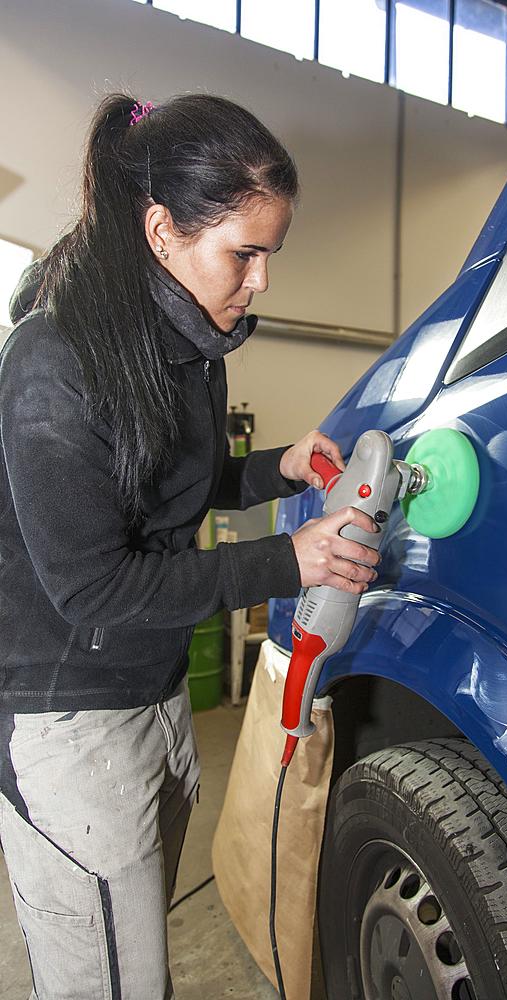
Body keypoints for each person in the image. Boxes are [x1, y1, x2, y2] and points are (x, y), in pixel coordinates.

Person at [0, 92, 380, 1000]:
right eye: (243, 254)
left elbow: (167, 483)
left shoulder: (186, 346)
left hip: (155, 691)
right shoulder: (53, 365)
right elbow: (94, 585)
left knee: (139, 965)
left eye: (268, 255)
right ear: (162, 229)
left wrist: (274, 470)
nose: (260, 282)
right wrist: (287, 563)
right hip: (72, 718)